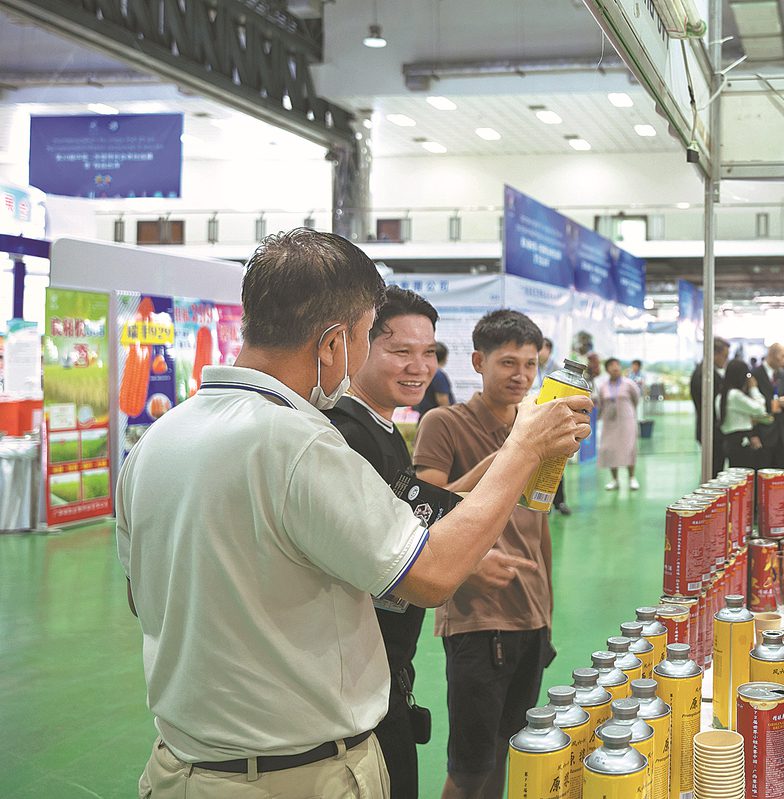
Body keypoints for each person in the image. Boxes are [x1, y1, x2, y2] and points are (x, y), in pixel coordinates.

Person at [116, 229, 591, 798]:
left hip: (182, 768)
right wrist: (524, 450)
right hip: (295, 774)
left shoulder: (156, 442)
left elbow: (140, 596)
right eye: (371, 337)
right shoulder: (301, 443)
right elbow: (431, 575)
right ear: (334, 341)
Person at [413, 310, 558, 799]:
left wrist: (547, 612)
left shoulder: (534, 428)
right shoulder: (444, 424)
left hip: (529, 618)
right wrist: (509, 455)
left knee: (511, 753)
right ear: (478, 361)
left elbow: (538, 529)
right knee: (472, 766)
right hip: (477, 621)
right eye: (507, 362)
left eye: (530, 365)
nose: (520, 375)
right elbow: (424, 515)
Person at [323, 286, 439, 798]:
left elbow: (418, 509)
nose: (419, 366)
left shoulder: (385, 430)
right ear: (356, 346)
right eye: (401, 351)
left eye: (429, 352)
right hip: (358, 677)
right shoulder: (345, 435)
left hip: (389, 669)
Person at [532, 337, 571, 515]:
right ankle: (537, 502)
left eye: (540, 349)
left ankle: (559, 502)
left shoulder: (558, 372)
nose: (537, 353)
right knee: (535, 464)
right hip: (534, 419)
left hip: (553, 422)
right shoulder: (532, 368)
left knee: (555, 464)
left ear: (548, 349)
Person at [719, 358, 773, 469]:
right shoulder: (735, 395)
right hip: (740, 442)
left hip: (730, 440)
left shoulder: (722, 394)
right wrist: (753, 388)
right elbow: (760, 408)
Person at [597, 357, 641, 491]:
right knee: (611, 450)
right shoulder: (603, 386)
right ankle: (614, 480)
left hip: (627, 422)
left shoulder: (629, 384)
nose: (615, 367)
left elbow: (636, 399)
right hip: (610, 423)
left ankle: (632, 478)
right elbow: (600, 403)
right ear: (607, 369)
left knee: (629, 448)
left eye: (617, 365)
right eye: (611, 365)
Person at [690, 337, 730, 477]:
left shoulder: (707, 372)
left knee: (714, 469)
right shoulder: (705, 376)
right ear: (715, 354)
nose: (726, 360)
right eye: (724, 356)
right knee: (713, 472)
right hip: (711, 431)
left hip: (711, 430)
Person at [751, 343, 784, 470]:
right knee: (762, 476)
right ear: (772, 355)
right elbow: (751, 406)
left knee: (780, 477)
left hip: (782, 435)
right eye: (783, 356)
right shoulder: (754, 374)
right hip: (763, 434)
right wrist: (753, 434)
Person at [416, 341, 454, 418]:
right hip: (437, 419)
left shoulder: (425, 373)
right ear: (445, 357)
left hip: (425, 416)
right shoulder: (439, 375)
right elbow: (442, 400)